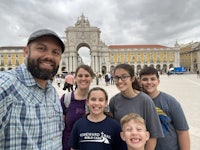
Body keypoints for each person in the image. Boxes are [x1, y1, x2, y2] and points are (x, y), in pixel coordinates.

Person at [0, 29, 65, 149]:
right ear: (26, 51)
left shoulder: (53, 93)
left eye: (55, 52)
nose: (49, 56)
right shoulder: (4, 85)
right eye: (41, 48)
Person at [109, 63, 163, 150]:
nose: (119, 81)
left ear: (132, 79)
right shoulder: (113, 101)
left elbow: (153, 134)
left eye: (124, 76)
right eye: (117, 77)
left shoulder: (145, 100)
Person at [139, 67, 190, 150]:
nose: (149, 82)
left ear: (158, 81)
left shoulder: (170, 102)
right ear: (140, 81)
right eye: (145, 79)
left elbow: (182, 132)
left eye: (152, 79)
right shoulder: (137, 101)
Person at [60, 64, 95, 150]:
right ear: (75, 78)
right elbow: (59, 127)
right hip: (68, 146)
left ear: (92, 78)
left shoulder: (98, 100)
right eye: (80, 76)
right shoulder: (66, 99)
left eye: (87, 76)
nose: (83, 78)